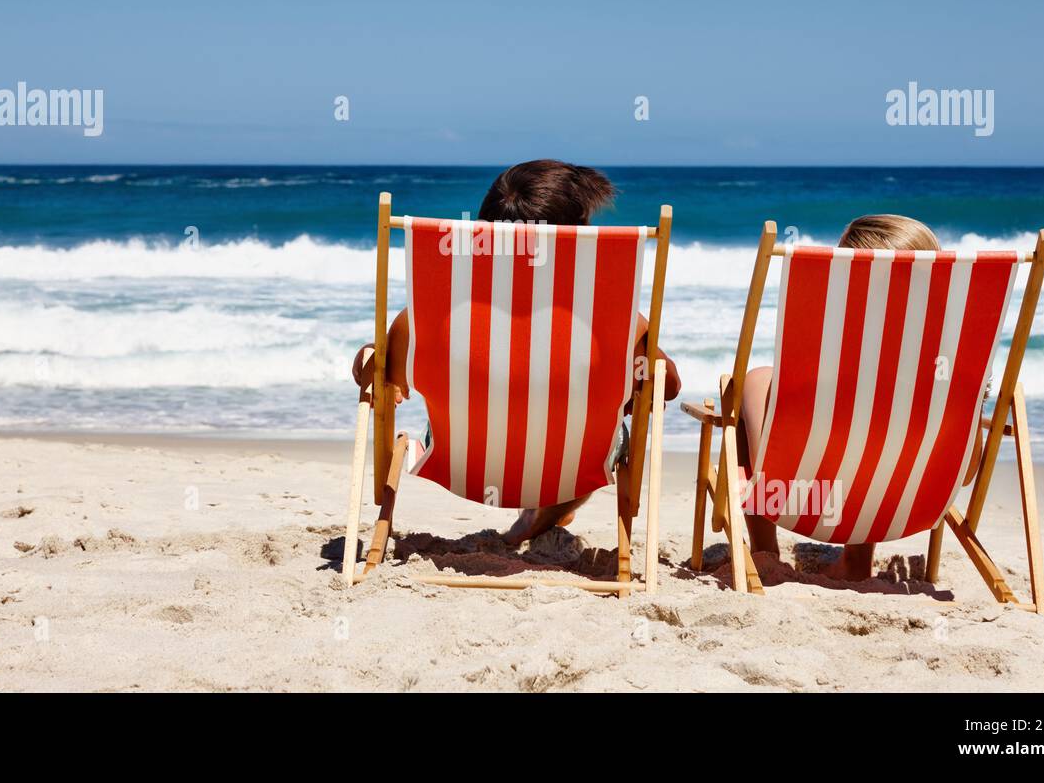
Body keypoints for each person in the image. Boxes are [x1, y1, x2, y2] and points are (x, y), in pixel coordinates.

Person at [350, 159, 680, 546]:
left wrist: (368, 356)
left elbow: (383, 377)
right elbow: (666, 387)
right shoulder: (615, 317)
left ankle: (535, 512)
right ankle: (545, 513)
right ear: (579, 239)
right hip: (573, 466)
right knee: (602, 434)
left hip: (461, 463)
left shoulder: (428, 314)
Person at [737, 214, 940, 581]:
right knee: (875, 425)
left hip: (798, 497)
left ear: (848, 275)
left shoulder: (840, 339)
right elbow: (969, 466)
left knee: (754, 380)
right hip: (920, 495)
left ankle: (764, 550)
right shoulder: (951, 348)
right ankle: (857, 560)